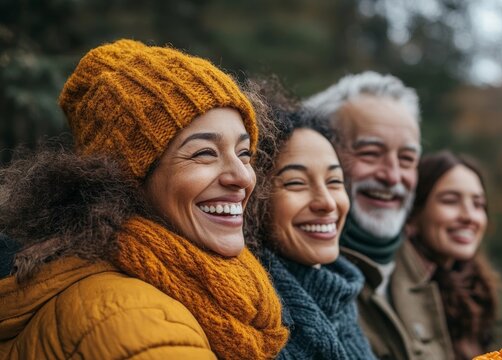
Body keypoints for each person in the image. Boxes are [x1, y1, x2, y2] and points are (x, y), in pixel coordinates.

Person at [0, 39, 288, 359]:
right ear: (125, 179)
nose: (243, 177)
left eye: (244, 153)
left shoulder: (185, 291)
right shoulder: (133, 319)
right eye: (204, 153)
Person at [304, 71, 454, 359]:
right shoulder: (298, 280)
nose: (393, 176)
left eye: (407, 159)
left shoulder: (433, 267)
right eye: (371, 153)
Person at [245, 88, 377, 359]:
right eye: (296, 183)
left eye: (334, 181)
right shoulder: (253, 320)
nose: (327, 202)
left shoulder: (344, 305)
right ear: (253, 199)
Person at [406, 150, 500, 360]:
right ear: (413, 214)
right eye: (450, 201)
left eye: (478, 204)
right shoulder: (396, 289)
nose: (469, 216)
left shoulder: (476, 289)